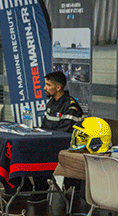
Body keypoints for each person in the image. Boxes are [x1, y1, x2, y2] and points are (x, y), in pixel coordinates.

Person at [27, 71, 84, 203]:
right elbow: (44, 127)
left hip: (65, 150)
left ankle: (41, 190)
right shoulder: (51, 103)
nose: (44, 88)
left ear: (58, 88)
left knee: (36, 154)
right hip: (51, 144)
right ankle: (23, 187)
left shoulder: (71, 106)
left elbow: (64, 137)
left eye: (48, 85)